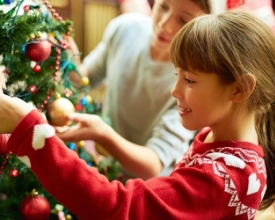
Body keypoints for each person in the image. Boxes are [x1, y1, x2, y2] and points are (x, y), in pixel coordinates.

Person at [0, 9, 274, 219]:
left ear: (239, 90)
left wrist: (30, 130)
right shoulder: (222, 142)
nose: (174, 91)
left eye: (189, 80)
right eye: (176, 76)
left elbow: (118, 207)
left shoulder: (224, 179)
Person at [59, 0, 243, 180]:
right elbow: (82, 81)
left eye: (183, 20)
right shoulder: (125, 29)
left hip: (146, 191)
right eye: (163, 6)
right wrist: (67, 57)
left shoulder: (193, 80)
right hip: (102, 170)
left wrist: (103, 135)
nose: (165, 24)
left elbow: (153, 164)